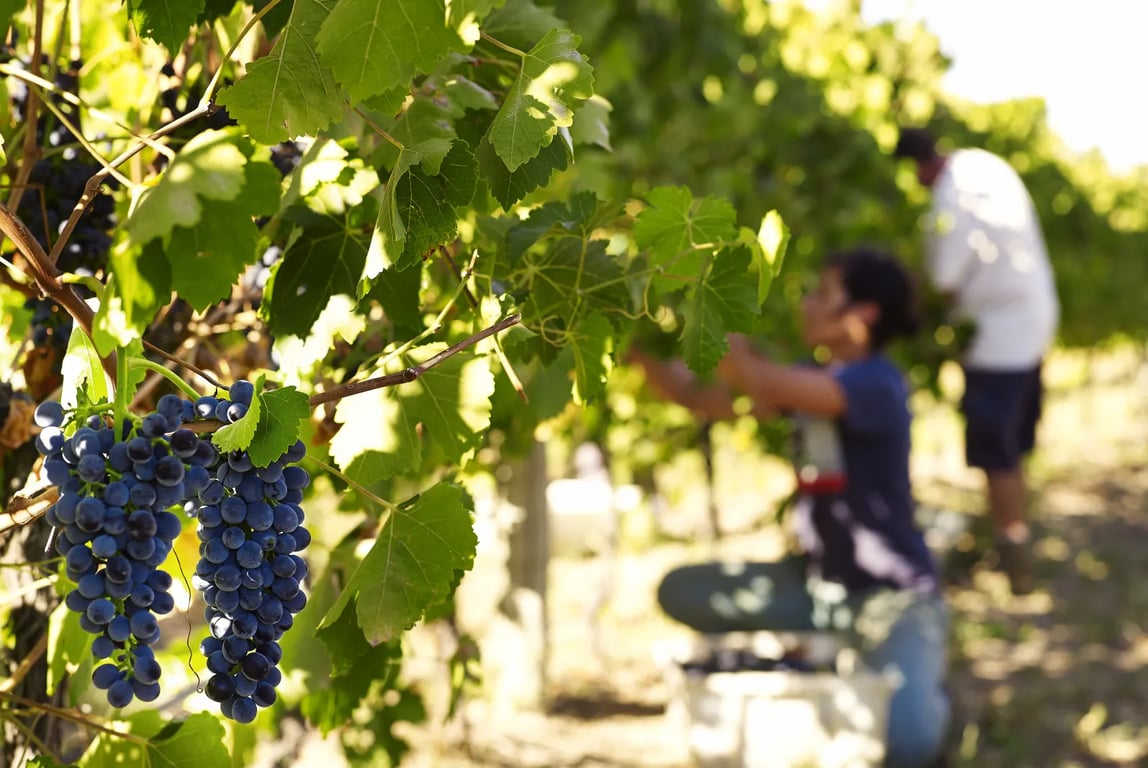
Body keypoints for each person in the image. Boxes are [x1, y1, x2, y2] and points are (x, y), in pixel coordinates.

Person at [629, 247, 949, 768]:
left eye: (823, 293)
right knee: (680, 591)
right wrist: (637, 347)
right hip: (819, 589)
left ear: (862, 315)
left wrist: (705, 301)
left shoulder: (876, 384)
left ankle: (917, 677)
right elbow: (701, 396)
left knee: (909, 744)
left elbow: (760, 381)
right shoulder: (812, 380)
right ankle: (838, 655)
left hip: (891, 602)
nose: (807, 302)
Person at [893, 127, 1059, 596]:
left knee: (994, 446)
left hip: (997, 336)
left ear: (920, 168)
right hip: (1033, 314)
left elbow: (944, 277)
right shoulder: (986, 165)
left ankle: (1013, 556)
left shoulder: (952, 195)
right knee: (1012, 440)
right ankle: (1012, 538)